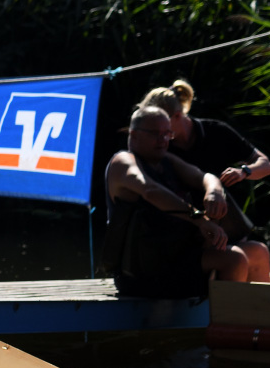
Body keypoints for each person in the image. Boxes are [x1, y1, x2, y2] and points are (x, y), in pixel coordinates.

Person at [102, 106, 249, 296]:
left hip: (173, 260)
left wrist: (214, 191)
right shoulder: (123, 162)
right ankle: (224, 319)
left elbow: (204, 177)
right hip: (140, 273)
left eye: (167, 134)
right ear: (134, 135)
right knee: (232, 258)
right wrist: (199, 220)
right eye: (155, 134)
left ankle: (226, 318)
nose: (163, 140)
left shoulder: (167, 160)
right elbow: (150, 190)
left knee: (241, 254)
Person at [140, 79, 270, 280]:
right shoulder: (160, 147)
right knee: (232, 257)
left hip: (221, 226)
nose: (161, 137)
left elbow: (266, 165)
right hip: (184, 231)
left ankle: (257, 309)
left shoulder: (216, 131)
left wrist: (244, 171)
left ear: (177, 116)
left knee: (259, 252)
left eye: (162, 128)